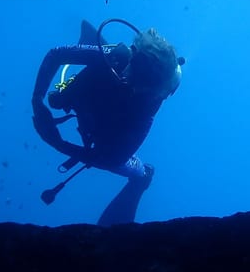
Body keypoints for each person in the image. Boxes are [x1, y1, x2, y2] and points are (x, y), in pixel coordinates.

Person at [31, 18, 183, 226]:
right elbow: (57, 54)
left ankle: (142, 177)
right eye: (135, 73)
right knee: (62, 98)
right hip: (95, 98)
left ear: (154, 90)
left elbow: (112, 159)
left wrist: (57, 143)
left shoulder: (146, 108)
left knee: (125, 163)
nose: (132, 84)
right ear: (134, 57)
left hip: (112, 133)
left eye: (141, 84)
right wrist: (37, 99)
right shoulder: (118, 56)